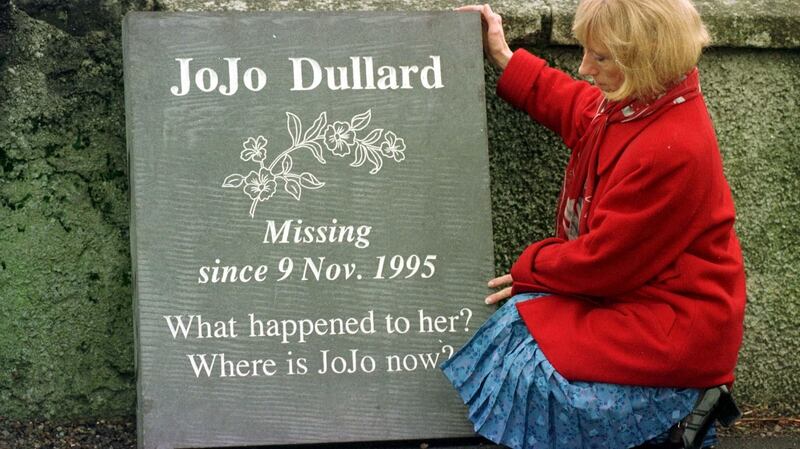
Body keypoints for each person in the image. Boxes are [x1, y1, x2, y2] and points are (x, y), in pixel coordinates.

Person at [442, 1, 746, 448]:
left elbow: (604, 263)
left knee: (526, 350)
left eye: (599, 57)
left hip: (673, 326)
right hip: (646, 304)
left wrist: (530, 266)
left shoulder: (672, 146)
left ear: (646, 57)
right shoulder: (644, 104)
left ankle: (674, 422)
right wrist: (505, 59)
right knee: (519, 326)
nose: (585, 67)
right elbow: (579, 109)